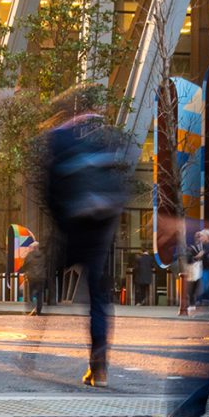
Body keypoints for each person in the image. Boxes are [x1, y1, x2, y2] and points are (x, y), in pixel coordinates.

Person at [42, 87, 138, 389]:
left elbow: (48, 188)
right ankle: (99, 367)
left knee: (47, 280)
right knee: (98, 298)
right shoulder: (108, 133)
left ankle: (32, 343)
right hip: (101, 226)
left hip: (74, 222)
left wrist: (60, 225)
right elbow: (122, 180)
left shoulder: (58, 136)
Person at [21, 243, 47, 315]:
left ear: (34, 248)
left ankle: (32, 309)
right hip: (41, 277)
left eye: (31, 247)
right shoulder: (44, 256)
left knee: (31, 294)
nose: (30, 249)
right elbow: (46, 265)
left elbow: (24, 265)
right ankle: (38, 311)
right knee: (40, 295)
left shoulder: (29, 256)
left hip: (32, 277)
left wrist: (25, 271)